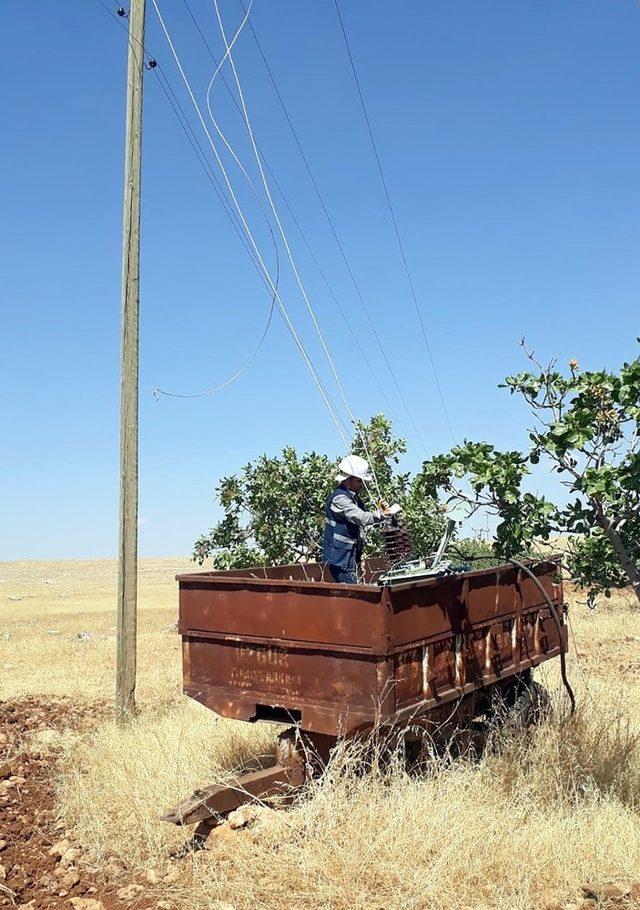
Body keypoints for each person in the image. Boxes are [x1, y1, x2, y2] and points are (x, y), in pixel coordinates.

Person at [323, 454, 399, 584]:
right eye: (359, 481)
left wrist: (383, 514)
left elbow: (367, 522)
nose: (362, 485)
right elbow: (362, 518)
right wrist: (382, 514)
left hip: (349, 557)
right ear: (348, 480)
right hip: (339, 559)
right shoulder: (339, 498)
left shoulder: (355, 499)